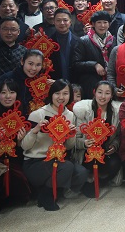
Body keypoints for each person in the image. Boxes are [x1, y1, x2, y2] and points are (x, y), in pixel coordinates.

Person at [21, 79, 88, 211]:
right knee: (67, 167)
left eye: (65, 93)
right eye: (57, 93)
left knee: (81, 173)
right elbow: (25, 146)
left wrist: (72, 134)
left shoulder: (70, 115)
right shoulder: (38, 114)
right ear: (51, 94)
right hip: (36, 162)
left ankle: (49, 188)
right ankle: (47, 194)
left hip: (58, 160)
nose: (61, 97)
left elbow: (68, 147)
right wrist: (35, 130)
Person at [0, 78, 31, 211]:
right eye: (3, 92)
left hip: (16, 155)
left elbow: (23, 145)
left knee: (18, 176)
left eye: (11, 92)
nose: (8, 96)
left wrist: (20, 140)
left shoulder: (22, 113)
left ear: (17, 94)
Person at [73, 81, 122, 188]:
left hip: (105, 152)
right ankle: (89, 181)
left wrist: (114, 145)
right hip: (87, 152)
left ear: (112, 95)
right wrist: (84, 143)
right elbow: (74, 139)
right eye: (100, 92)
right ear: (94, 92)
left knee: (115, 163)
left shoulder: (116, 112)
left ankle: (99, 182)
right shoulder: (83, 111)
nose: (103, 96)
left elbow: (118, 136)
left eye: (107, 93)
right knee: (89, 162)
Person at [72, 11, 115, 99]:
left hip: (110, 83)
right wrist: (94, 65)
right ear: (93, 24)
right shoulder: (83, 41)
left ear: (109, 24)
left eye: (105, 22)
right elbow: (76, 64)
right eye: (99, 22)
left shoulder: (114, 40)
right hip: (90, 84)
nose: (102, 25)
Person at [0, 49, 45, 114]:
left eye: (38, 65)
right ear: (22, 61)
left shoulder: (40, 81)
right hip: (9, 117)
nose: (34, 68)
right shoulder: (7, 78)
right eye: (30, 64)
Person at [48, 8, 79, 82]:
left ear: (70, 22)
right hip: (55, 83)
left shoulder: (79, 41)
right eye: (58, 20)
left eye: (65, 20)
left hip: (75, 82)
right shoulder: (48, 42)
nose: (62, 23)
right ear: (54, 22)